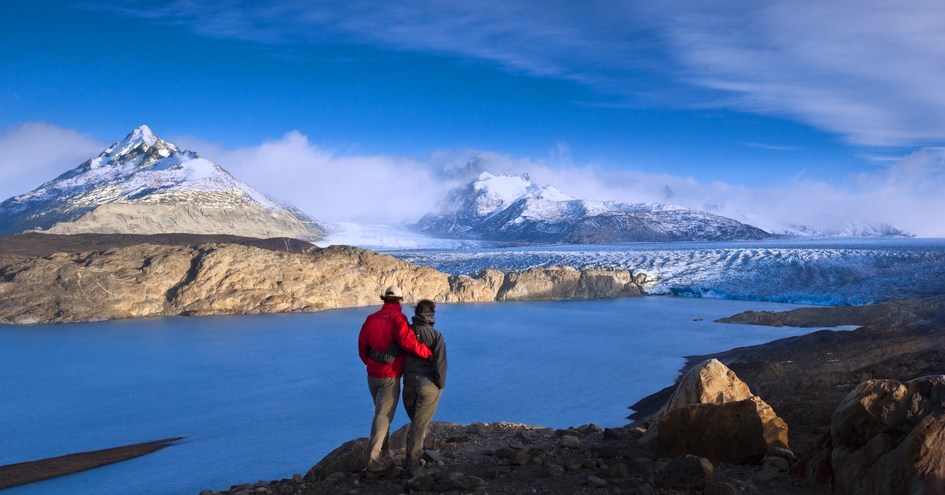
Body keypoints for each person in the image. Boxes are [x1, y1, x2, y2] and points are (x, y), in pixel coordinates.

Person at [357, 285, 432, 476]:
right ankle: (373, 462)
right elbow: (407, 342)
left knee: (380, 414)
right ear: (399, 300)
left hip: (372, 374)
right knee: (383, 417)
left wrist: (371, 363)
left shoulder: (371, 319)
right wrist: (427, 353)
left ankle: (384, 453)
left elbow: (362, 346)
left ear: (384, 299)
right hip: (389, 375)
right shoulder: (398, 318)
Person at [368, 299, 447, 478]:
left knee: (416, 424)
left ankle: (414, 457)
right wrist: (439, 386)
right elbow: (441, 365)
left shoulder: (405, 333)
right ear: (431, 315)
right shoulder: (436, 336)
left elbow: (389, 357)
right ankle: (412, 468)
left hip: (409, 386)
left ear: (417, 313)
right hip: (428, 387)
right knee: (418, 427)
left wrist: (372, 354)